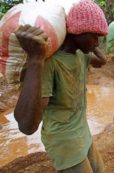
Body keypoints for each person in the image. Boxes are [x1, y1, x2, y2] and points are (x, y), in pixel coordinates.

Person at [14, 0, 108, 172]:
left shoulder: (81, 56)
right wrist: (35, 60)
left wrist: (91, 44)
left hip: (82, 131)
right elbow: (27, 126)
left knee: (100, 170)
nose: (97, 42)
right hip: (63, 139)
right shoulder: (49, 63)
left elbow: (103, 61)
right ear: (77, 31)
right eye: (94, 35)